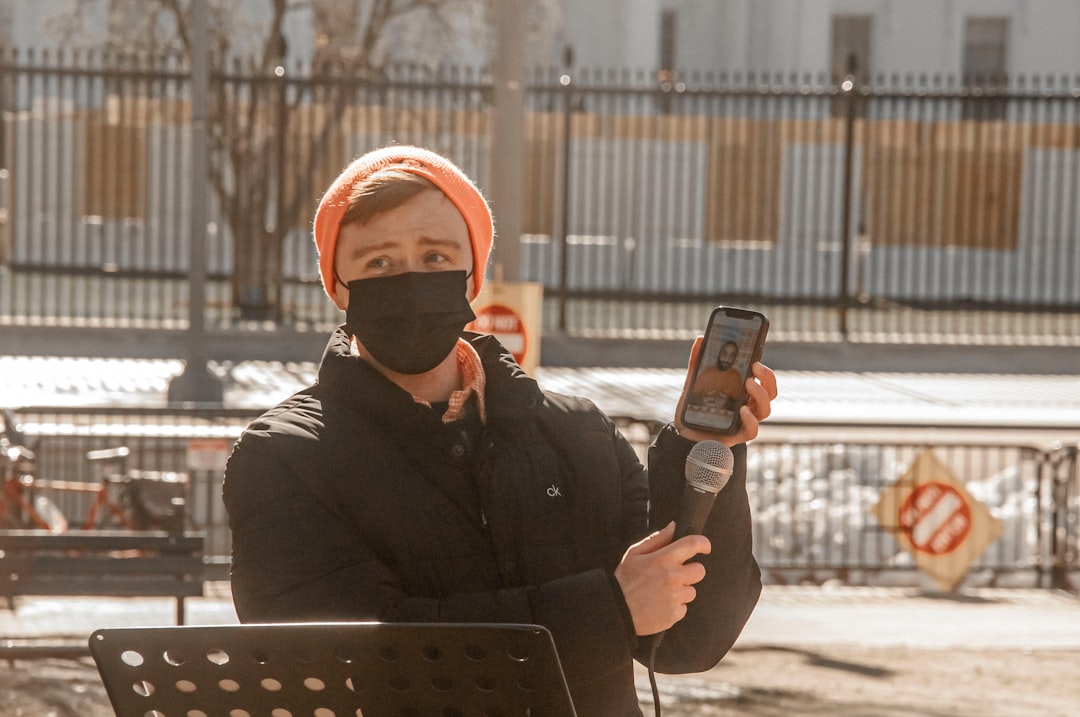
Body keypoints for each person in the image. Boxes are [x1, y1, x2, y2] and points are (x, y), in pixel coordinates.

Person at [222, 145, 778, 716]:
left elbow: (688, 640)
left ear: (473, 275)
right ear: (337, 286)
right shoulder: (284, 458)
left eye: (436, 257)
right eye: (379, 263)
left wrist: (701, 453)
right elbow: (342, 658)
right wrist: (608, 611)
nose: (411, 281)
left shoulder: (578, 435)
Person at [687, 340, 744, 412]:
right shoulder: (708, 372)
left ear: (735, 358)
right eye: (724, 353)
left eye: (731, 355)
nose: (726, 359)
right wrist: (702, 399)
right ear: (719, 354)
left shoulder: (736, 377)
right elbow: (690, 397)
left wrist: (726, 403)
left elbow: (740, 405)